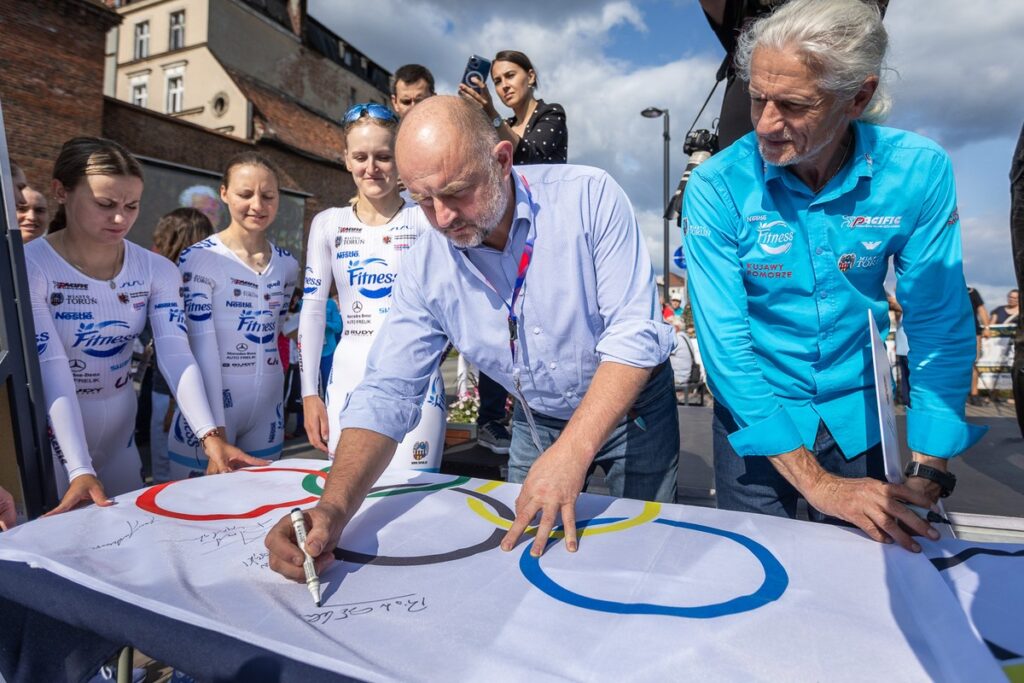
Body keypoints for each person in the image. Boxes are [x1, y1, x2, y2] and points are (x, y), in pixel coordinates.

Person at [266, 96, 678, 581]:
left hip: (634, 411)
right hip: (535, 419)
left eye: (457, 192)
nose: (442, 218)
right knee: (531, 562)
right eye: (421, 199)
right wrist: (333, 508)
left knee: (646, 554)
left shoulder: (588, 197)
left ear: (502, 161)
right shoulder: (425, 261)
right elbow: (389, 388)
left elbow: (634, 334)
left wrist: (570, 453)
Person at [682, 0, 985, 553]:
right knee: (755, 576)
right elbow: (724, 345)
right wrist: (820, 486)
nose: (766, 125)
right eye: (756, 97)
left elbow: (939, 320)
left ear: (859, 97)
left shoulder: (918, 170)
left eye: (794, 105)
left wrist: (930, 464)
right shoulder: (717, 185)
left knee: (860, 593)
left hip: (859, 416)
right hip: (756, 416)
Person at [26, 137, 261, 514]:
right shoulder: (30, 266)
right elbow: (51, 368)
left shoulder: (156, 270)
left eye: (131, 206)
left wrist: (210, 435)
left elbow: (175, 353)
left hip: (121, 430)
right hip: (55, 437)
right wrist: (79, 467)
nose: (120, 218)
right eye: (105, 205)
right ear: (60, 192)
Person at [298, 103, 446, 471]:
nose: (371, 168)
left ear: (398, 157)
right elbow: (313, 311)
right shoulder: (328, 224)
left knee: (415, 502)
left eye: (382, 156)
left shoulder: (425, 218)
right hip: (348, 376)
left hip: (417, 380)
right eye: (360, 156)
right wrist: (309, 394)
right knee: (349, 506)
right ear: (346, 159)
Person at [169, 152, 299, 478]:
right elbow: (200, 349)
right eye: (245, 194)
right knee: (190, 522)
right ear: (224, 193)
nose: (257, 204)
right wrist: (215, 432)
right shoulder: (198, 258)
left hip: (267, 409)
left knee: (259, 518)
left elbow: (277, 332)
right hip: (208, 417)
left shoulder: (287, 265)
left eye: (268, 196)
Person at [147, 208, 215, 483]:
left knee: (167, 470)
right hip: (199, 388)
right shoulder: (204, 277)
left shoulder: (166, 278)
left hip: (170, 390)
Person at [459, 50, 568, 165]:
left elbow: (530, 156)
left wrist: (491, 113)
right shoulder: (505, 125)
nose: (504, 85)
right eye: (497, 81)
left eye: (510, 76)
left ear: (531, 77)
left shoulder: (551, 113)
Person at [967, 286, 990, 405]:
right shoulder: (946, 289)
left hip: (973, 332)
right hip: (951, 333)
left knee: (973, 363)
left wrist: (986, 327)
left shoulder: (971, 291)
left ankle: (974, 394)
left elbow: (981, 309)